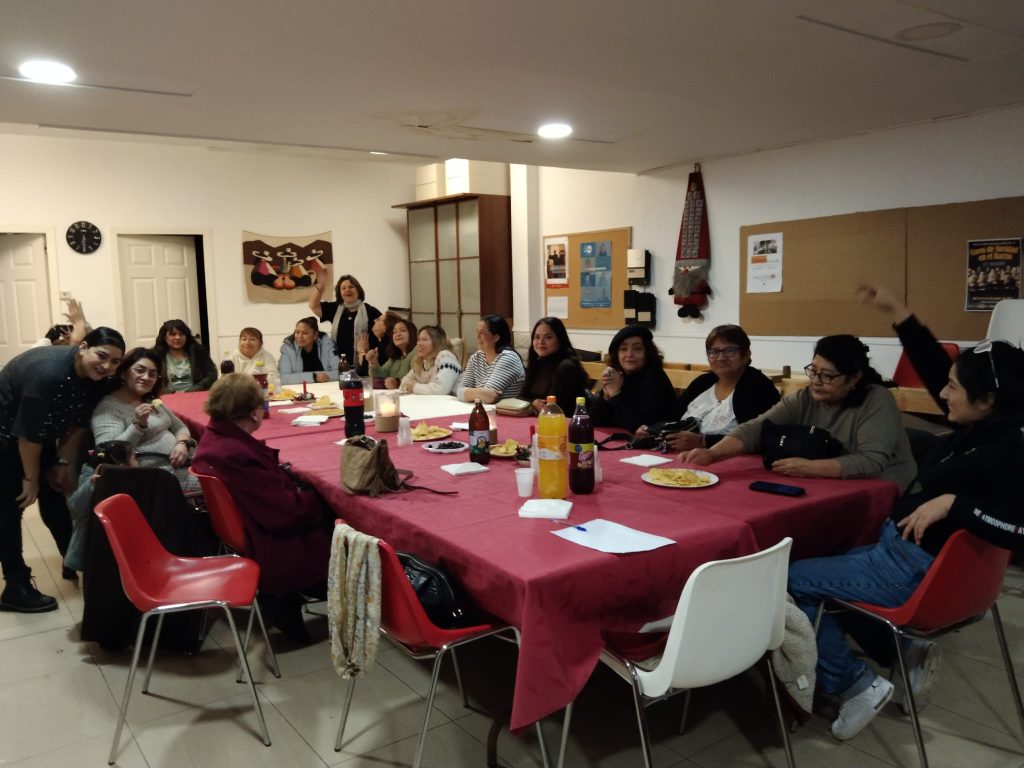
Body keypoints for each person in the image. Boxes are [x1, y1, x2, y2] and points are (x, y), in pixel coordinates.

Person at [785, 283, 1024, 742]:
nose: (943, 393)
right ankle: (903, 649)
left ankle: (854, 685)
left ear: (987, 400)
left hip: (909, 568)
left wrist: (955, 503)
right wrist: (899, 312)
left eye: (953, 388)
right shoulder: (987, 422)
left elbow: (1018, 528)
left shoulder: (1010, 450)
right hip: (902, 551)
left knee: (790, 580)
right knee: (835, 554)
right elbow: (937, 369)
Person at [192, 373, 332, 643]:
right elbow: (284, 512)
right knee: (340, 515)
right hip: (269, 538)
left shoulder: (215, 439)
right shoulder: (234, 453)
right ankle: (298, 593)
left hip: (246, 527)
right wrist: (322, 500)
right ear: (253, 413)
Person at [683, 334, 916, 490]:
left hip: (883, 492)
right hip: (827, 484)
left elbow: (871, 462)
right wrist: (713, 453)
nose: (816, 381)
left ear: (854, 377)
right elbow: (757, 427)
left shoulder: (876, 400)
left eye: (827, 376)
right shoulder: (806, 397)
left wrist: (808, 467)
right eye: (813, 371)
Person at [0, 327, 125, 612]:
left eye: (115, 361)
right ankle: (15, 586)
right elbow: (27, 436)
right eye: (102, 356)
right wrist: (30, 477)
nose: (107, 366)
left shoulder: (96, 379)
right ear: (83, 347)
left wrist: (62, 463)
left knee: (54, 496)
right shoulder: (48, 373)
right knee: (10, 507)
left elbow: (78, 425)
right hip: (6, 436)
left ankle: (75, 560)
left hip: (35, 436)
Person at [638, 324, 780, 451]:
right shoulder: (703, 382)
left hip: (732, 459)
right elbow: (673, 415)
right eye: (714, 352)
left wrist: (704, 442)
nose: (721, 357)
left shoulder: (758, 387)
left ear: (746, 355)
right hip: (685, 454)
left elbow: (761, 437)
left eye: (730, 351)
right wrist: (653, 429)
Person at [90, 347, 199, 494]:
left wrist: (182, 444)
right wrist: (137, 425)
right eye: (140, 370)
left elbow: (179, 426)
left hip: (186, 464)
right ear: (123, 373)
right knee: (222, 482)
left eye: (152, 374)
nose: (147, 377)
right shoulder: (109, 408)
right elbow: (110, 455)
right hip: (159, 478)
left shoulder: (149, 399)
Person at [589, 326, 676, 435]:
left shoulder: (655, 378)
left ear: (647, 353)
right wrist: (606, 397)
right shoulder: (618, 375)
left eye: (637, 349)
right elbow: (594, 421)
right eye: (623, 349)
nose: (629, 354)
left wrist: (616, 394)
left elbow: (639, 427)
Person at [308, 273, 381, 374]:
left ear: (358, 290)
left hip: (364, 366)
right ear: (340, 293)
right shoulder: (335, 308)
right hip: (339, 365)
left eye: (351, 287)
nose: (347, 290)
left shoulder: (370, 311)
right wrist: (320, 287)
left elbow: (384, 331)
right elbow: (313, 305)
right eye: (343, 288)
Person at [521, 316, 588, 414]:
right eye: (537, 337)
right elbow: (521, 397)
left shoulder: (566, 367)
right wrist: (533, 402)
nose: (541, 342)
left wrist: (532, 405)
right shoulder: (537, 363)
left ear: (560, 340)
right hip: (542, 418)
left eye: (548, 337)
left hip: (563, 420)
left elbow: (555, 407)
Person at [456, 314, 525, 403]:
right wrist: (481, 392)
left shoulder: (508, 358)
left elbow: (489, 398)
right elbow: (460, 391)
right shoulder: (476, 357)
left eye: (482, 332)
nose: (476, 336)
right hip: (481, 408)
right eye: (477, 331)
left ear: (496, 337)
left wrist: (471, 393)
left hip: (502, 411)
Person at [154, 319, 216, 393]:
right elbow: (152, 380)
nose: (178, 337)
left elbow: (212, 374)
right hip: (167, 396)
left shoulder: (198, 352)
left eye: (181, 334)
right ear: (164, 337)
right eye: (173, 334)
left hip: (195, 393)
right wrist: (171, 393)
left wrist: (192, 391)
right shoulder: (156, 355)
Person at [399, 325, 462, 395]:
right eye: (418, 340)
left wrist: (415, 387)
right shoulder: (421, 362)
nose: (419, 344)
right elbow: (404, 384)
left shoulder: (446, 356)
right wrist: (415, 387)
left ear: (436, 342)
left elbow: (441, 390)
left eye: (424, 340)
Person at [278, 316, 339, 385]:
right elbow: (283, 378)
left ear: (315, 335)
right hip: (299, 389)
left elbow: (339, 373)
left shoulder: (327, 345)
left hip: (326, 387)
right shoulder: (288, 348)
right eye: (297, 332)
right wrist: (314, 377)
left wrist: (326, 377)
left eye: (304, 333)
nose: (300, 336)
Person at [367, 315, 416, 389]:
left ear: (412, 333)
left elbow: (417, 379)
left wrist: (398, 383)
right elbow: (381, 376)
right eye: (394, 332)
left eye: (403, 330)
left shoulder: (416, 352)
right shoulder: (395, 356)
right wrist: (373, 363)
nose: (398, 334)